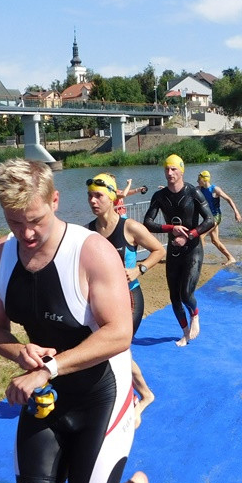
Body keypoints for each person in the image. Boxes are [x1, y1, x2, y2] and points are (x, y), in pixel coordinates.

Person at [0, 159, 159, 483]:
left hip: (101, 390)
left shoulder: (91, 251)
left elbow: (120, 333)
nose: (27, 234)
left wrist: (50, 367)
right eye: (15, 223)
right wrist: (19, 352)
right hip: (48, 396)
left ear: (55, 201)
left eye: (35, 221)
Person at [86, 172, 166, 426]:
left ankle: (140, 397)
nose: (93, 201)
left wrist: (140, 268)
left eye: (98, 196)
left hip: (129, 298)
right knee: (110, 351)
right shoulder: (88, 231)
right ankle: (134, 395)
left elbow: (159, 249)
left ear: (111, 197)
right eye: (90, 196)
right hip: (103, 302)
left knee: (116, 349)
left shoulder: (128, 227)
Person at [143, 154, 216, 346]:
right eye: (167, 169)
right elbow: (147, 222)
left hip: (193, 250)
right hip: (173, 252)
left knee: (186, 293)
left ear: (181, 171)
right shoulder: (159, 196)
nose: (169, 173)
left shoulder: (193, 192)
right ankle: (184, 333)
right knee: (174, 297)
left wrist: (189, 235)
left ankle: (196, 314)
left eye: (174, 169)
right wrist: (170, 228)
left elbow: (210, 220)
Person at [196, 169, 242, 264]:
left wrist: (236, 212)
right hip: (208, 218)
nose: (197, 181)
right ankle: (231, 258)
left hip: (216, 217)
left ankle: (197, 259)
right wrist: (168, 188)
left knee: (200, 236)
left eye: (199, 179)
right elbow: (186, 191)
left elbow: (228, 199)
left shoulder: (215, 189)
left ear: (204, 180)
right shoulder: (199, 189)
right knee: (215, 241)